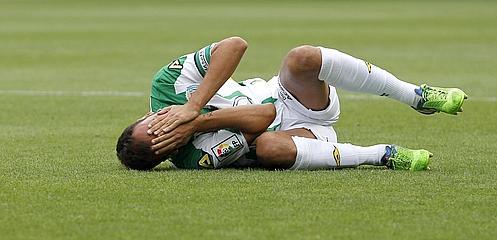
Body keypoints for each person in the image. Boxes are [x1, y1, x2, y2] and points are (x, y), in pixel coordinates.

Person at [116, 37, 467, 171]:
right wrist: (196, 126)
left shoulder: (165, 85)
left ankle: (415, 96)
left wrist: (193, 106)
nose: (169, 126)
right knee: (268, 148)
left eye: (158, 122)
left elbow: (234, 45)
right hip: (297, 137)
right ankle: (381, 154)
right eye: (165, 137)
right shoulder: (196, 159)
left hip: (293, 96)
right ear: (167, 154)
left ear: (146, 114)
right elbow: (265, 118)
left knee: (300, 57)